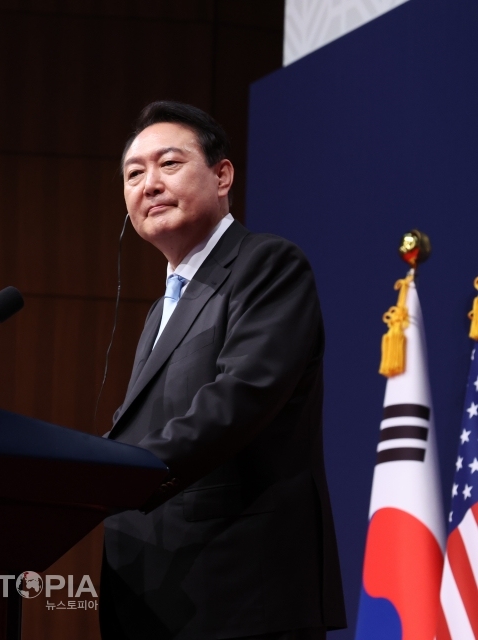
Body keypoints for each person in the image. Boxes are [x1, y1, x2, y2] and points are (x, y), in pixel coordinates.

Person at [100, 102, 346, 640]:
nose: (149, 184)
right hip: (161, 595)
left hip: (240, 592)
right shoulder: (162, 307)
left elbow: (240, 397)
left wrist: (113, 474)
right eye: (134, 174)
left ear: (222, 175)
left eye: (168, 164)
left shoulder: (268, 264)